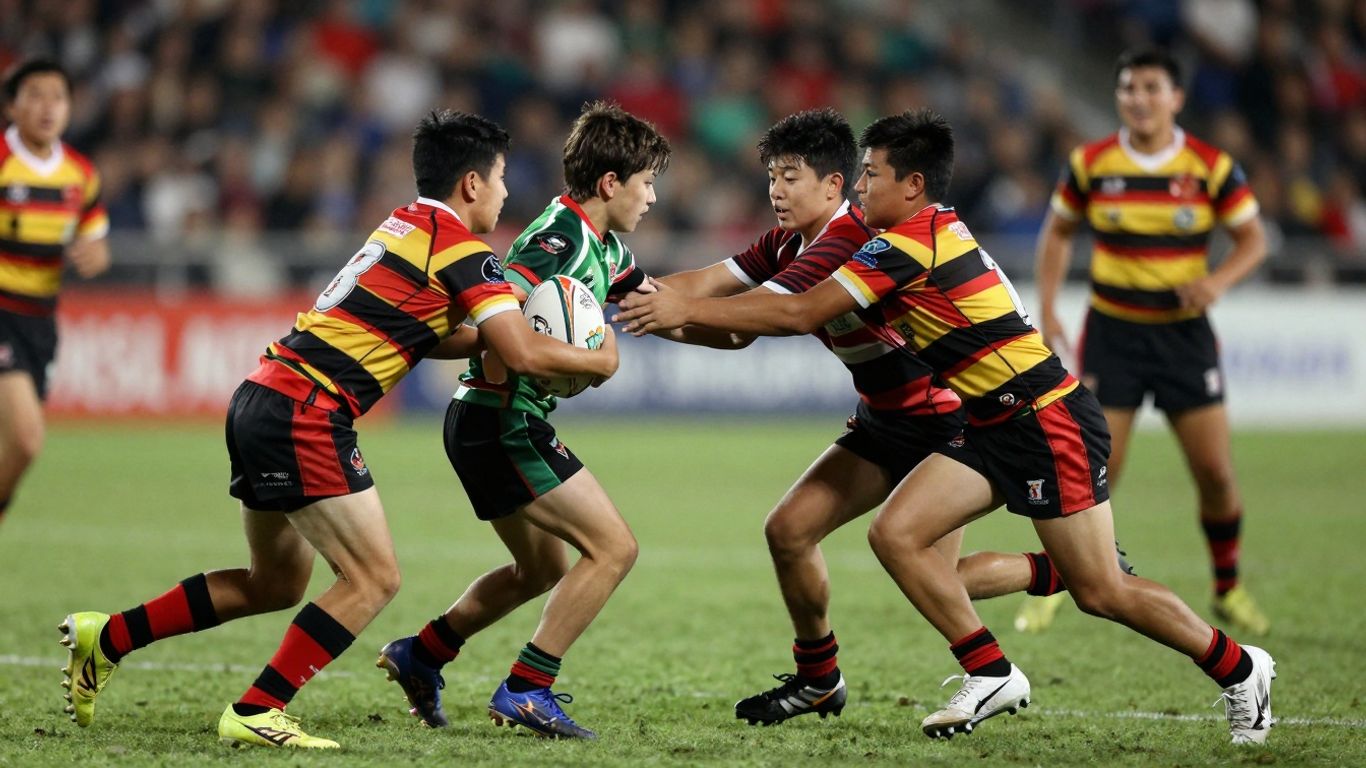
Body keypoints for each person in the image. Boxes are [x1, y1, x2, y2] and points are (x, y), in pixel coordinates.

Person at [615, 108, 1276, 746]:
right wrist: (644, 297)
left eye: (870, 176)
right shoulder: (897, 234)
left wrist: (671, 306)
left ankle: (1239, 667)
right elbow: (736, 307)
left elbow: (794, 313)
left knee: (1101, 591)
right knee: (897, 538)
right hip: (987, 419)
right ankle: (989, 668)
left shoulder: (900, 245)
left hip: (1042, 418)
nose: (862, 187)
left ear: (913, 185)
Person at [59, 110, 617, 749]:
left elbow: (433, 334)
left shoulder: (405, 225)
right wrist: (598, 358)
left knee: (274, 583)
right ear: (471, 183)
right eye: (501, 179)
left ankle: (109, 637)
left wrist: (495, 340)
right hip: (308, 412)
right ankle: (258, 709)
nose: (506, 192)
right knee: (373, 578)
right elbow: (518, 354)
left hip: (263, 397)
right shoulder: (462, 248)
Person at [646, 108, 1103, 726]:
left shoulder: (852, 239)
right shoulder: (786, 241)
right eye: (771, 177)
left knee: (940, 579)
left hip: (941, 418)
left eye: (790, 176)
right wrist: (629, 296)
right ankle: (818, 681)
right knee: (790, 531)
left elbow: (779, 315)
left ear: (835, 185)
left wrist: (662, 310)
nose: (776, 191)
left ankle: (1052, 590)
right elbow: (715, 291)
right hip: (884, 420)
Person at [375, 102, 669, 740]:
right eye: (646, 182)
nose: (653, 196)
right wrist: (589, 360)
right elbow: (498, 309)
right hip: (502, 419)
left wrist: (766, 296)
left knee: (542, 570)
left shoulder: (607, 247)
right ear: (611, 183)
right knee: (614, 548)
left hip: (491, 419)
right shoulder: (556, 239)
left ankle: (421, 654)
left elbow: (663, 302)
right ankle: (528, 688)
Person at [1018, 48, 1269, 637]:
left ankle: (1228, 587)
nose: (1139, 98)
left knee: (1214, 472)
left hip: (1184, 338)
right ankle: (1063, 580)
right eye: (1129, 88)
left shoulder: (1209, 165)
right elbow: (1057, 233)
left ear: (1176, 98)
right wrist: (1050, 306)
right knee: (1095, 469)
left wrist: (1217, 281)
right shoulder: (1090, 163)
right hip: (1114, 334)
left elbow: (1254, 239)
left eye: (1152, 88)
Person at [0, 59, 110, 526]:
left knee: (15, 448)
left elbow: (95, 239)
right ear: (12, 105)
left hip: (41, 321)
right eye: (36, 95)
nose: (48, 107)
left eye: (57, 97)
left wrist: (95, 257)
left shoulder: (80, 174)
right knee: (26, 438)